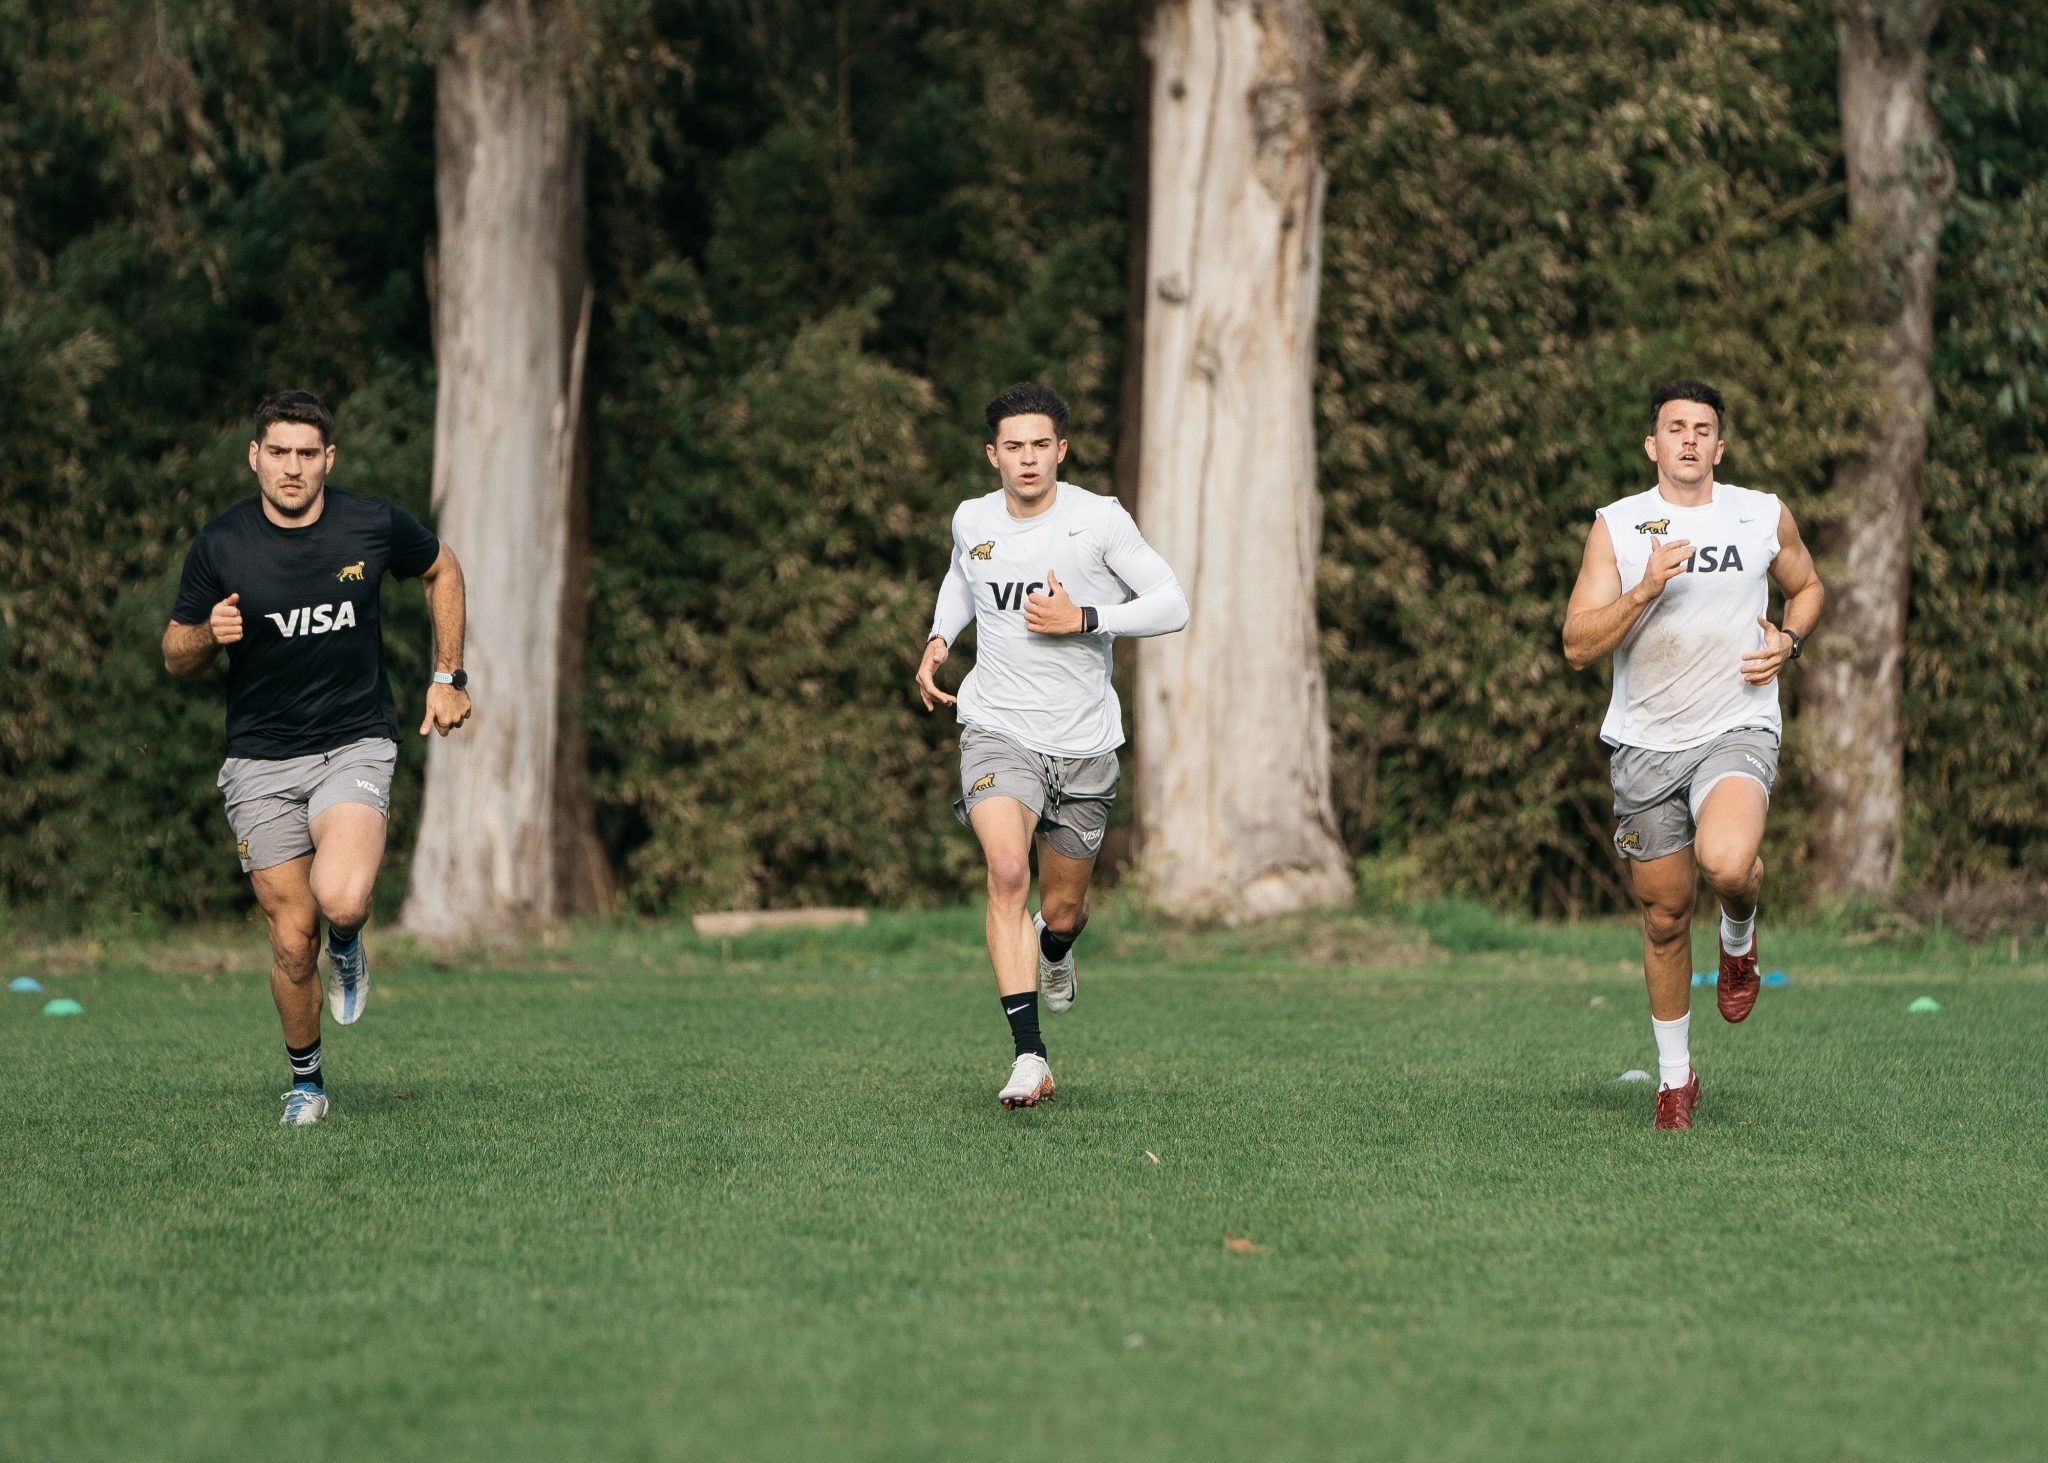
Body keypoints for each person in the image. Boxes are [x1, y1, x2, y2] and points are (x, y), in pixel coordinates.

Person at [163, 390, 471, 1126]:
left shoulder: (371, 523)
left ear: (327, 458)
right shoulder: (222, 544)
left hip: (353, 741)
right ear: (255, 457)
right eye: (279, 453)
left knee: (340, 899)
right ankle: (307, 1081)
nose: (292, 467)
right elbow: (175, 653)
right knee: (289, 937)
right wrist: (209, 631)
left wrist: (447, 675)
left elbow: (443, 569)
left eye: (307, 453)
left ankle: (351, 943)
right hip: (260, 761)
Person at [916, 383, 1188, 1109]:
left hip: (1086, 744)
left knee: (1062, 910)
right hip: (997, 728)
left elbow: (1171, 601)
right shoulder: (972, 517)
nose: (1028, 459)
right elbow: (961, 577)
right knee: (1007, 870)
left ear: (1061, 450)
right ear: (993, 454)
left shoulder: (1097, 520)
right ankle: (1029, 1056)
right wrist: (941, 638)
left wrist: (1086, 617)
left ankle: (1056, 950)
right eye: (1014, 446)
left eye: (1041, 445)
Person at [1562, 379, 1824, 1130]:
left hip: (1734, 725)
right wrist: (1644, 589)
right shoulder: (1618, 526)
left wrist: (1789, 639)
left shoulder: (1759, 512)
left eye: (1702, 428)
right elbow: (1578, 643)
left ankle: (1738, 939)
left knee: (1730, 862)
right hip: (1644, 743)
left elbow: (1806, 587)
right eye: (1674, 427)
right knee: (1666, 915)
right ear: (1653, 444)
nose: (1688, 439)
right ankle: (1675, 1083)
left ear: (1719, 445)